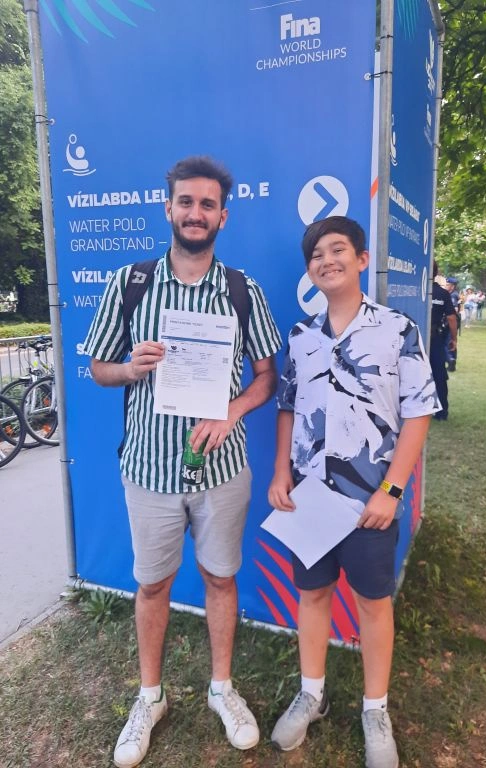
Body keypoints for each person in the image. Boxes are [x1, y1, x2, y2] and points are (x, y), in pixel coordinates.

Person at [83, 156, 282, 768]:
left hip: (222, 471)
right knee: (152, 585)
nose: (196, 213)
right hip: (150, 469)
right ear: (168, 207)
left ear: (224, 215)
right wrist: (130, 368)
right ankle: (150, 696)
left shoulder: (242, 291)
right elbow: (97, 368)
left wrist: (231, 412)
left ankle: (222, 688)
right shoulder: (130, 283)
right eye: (186, 202)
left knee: (221, 578)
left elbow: (267, 376)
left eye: (207, 204)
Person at [267, 216, 439, 768]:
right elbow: (287, 408)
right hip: (310, 497)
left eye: (337, 249)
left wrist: (392, 489)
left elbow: (418, 413)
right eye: (316, 255)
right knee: (312, 594)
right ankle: (311, 694)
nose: (327, 261)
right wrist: (280, 472)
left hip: (369, 502)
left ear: (362, 259)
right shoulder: (301, 336)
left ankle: (374, 709)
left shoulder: (397, 329)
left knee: (372, 603)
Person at [430, 263, 458, 420]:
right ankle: (441, 412)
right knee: (439, 375)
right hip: (435, 338)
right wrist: (454, 339)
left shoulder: (412, 291)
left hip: (413, 339)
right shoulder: (442, 293)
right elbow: (451, 318)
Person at [445, 277, 460, 370]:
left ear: (452, 286)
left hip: (451, 321)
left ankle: (451, 360)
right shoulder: (451, 294)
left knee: (449, 341)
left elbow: (454, 310)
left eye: (448, 285)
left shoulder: (453, 295)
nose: (446, 286)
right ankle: (452, 360)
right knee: (450, 341)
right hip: (451, 321)